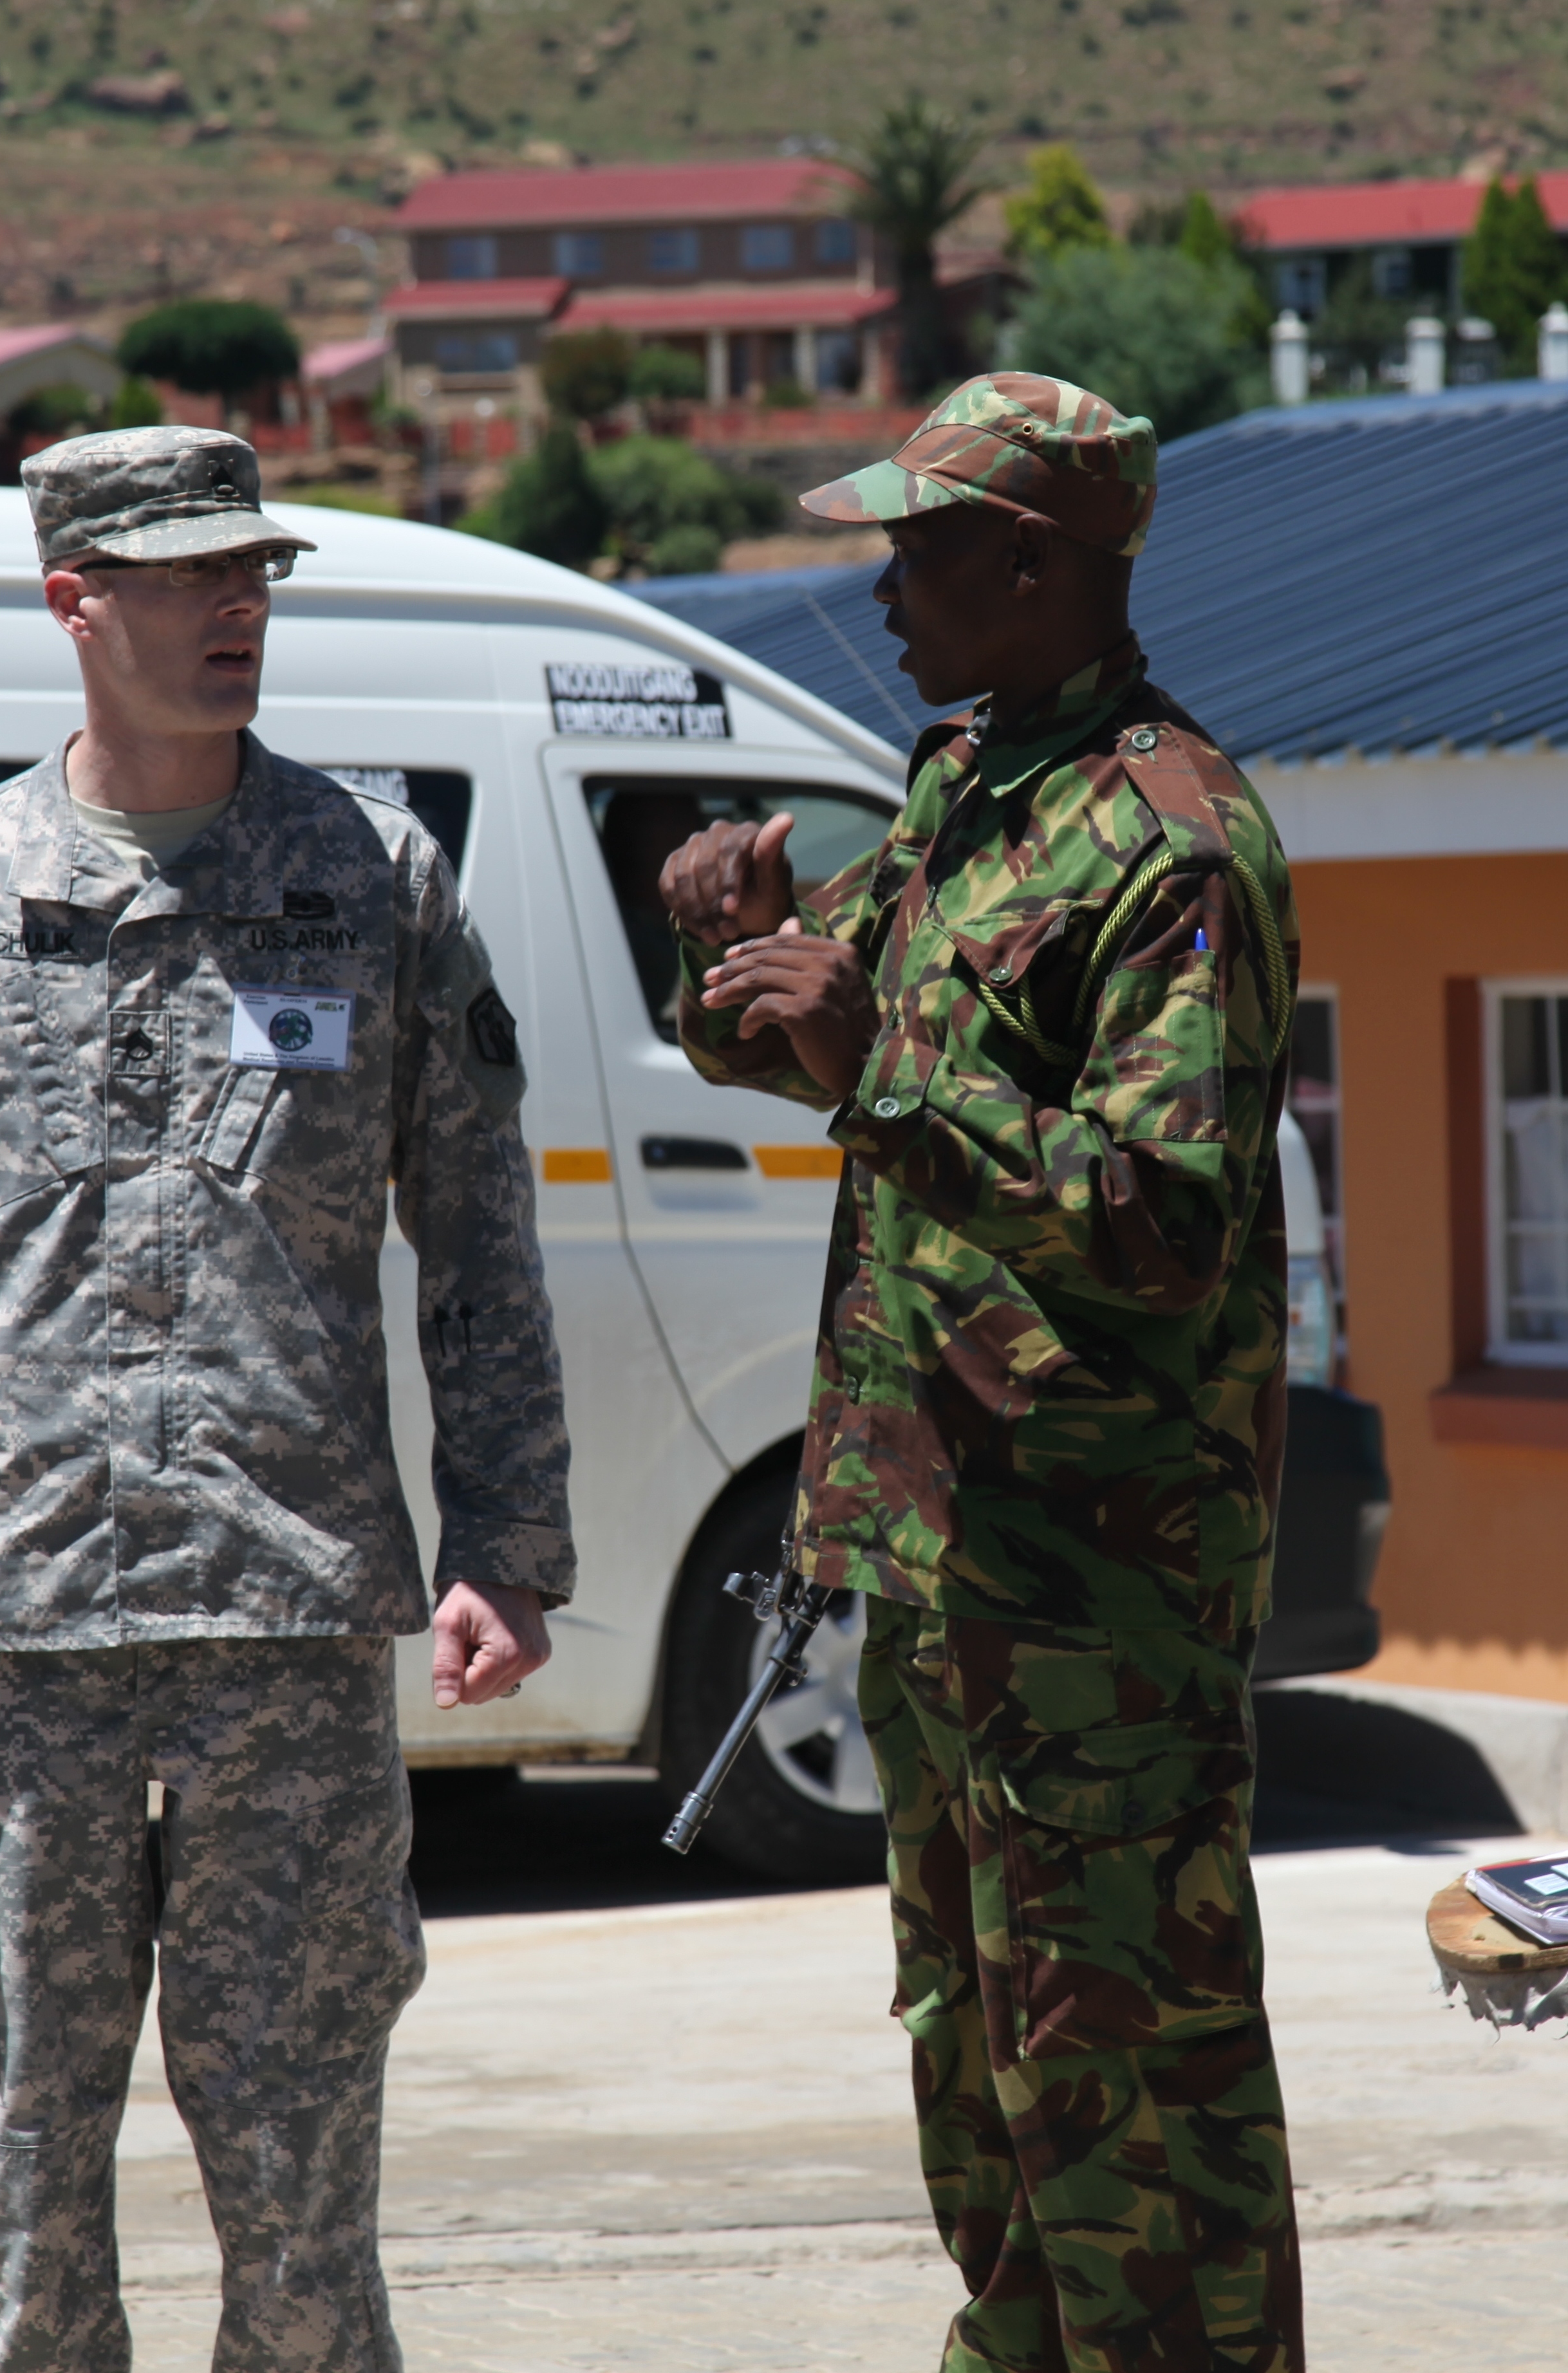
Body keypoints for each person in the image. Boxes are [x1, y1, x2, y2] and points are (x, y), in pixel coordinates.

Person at [0, 424, 575, 2373]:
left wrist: (510, 1544)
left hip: (284, 1608)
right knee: (24, 2187)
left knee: (302, 2194)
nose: (234, 611)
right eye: (187, 578)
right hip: (9, 1619)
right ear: (73, 601)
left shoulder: (370, 881)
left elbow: (482, 1242)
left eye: (253, 573)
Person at [660, 375, 1304, 2373]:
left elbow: (1163, 1222)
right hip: (948, 1578)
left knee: (1138, 2126)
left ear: (1038, 562)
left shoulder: (1176, 848)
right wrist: (734, 962)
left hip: (1100, 1607)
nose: (885, 589)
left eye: (920, 549)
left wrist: (883, 1070)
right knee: (989, 2087)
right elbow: (803, 1040)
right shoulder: (973, 787)